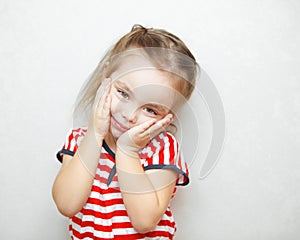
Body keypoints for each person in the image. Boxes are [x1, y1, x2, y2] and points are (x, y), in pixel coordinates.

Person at [52, 24, 199, 239]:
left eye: (150, 109)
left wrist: (128, 151)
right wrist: (94, 134)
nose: (129, 116)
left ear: (168, 115)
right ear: (106, 75)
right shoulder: (80, 140)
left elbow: (144, 221)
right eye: (123, 93)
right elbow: (66, 204)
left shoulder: (162, 148)